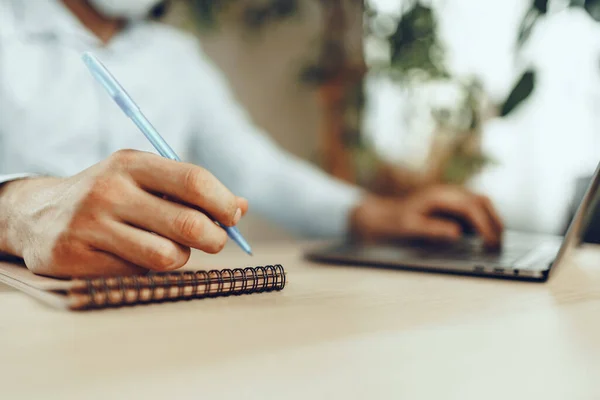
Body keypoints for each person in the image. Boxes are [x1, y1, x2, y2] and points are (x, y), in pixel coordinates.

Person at [0, 0, 503, 278]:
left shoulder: (175, 55)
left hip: (147, 307)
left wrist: (377, 214)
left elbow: (256, 168)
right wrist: (17, 210)